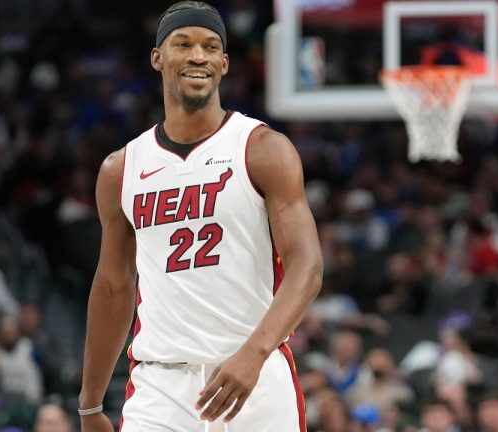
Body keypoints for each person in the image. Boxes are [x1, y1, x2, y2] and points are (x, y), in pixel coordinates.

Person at [77, 2, 323, 431]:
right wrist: (90, 403)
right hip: (161, 386)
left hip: (255, 375)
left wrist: (255, 353)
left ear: (224, 64)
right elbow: (113, 286)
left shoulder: (263, 149)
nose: (198, 56)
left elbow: (308, 264)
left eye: (211, 47)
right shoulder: (121, 169)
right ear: (158, 57)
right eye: (183, 44)